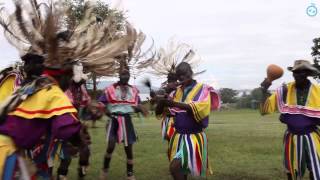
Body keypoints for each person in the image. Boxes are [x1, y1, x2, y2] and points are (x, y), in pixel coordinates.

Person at [156, 62, 220, 180]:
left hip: (194, 138)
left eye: (185, 74)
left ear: (191, 72)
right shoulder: (176, 92)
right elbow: (158, 111)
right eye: (179, 75)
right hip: (178, 137)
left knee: (174, 168)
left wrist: (173, 103)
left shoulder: (203, 89)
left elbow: (196, 108)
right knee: (181, 172)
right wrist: (166, 93)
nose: (182, 78)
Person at [260, 60, 320, 180]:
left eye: (300, 72)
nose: (296, 74)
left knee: (316, 169)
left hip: (312, 136)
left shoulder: (317, 91)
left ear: (307, 73)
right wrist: (264, 90)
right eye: (294, 72)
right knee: (291, 171)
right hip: (292, 137)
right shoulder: (285, 90)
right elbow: (264, 110)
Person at [99, 65, 148, 180]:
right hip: (113, 120)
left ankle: (130, 174)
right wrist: (107, 113)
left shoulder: (134, 90)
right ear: (119, 75)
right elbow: (101, 103)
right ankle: (104, 170)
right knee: (110, 146)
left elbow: (136, 106)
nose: (125, 76)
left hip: (127, 121)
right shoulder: (110, 89)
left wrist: (140, 108)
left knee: (128, 149)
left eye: (127, 74)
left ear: (130, 75)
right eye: (123, 74)